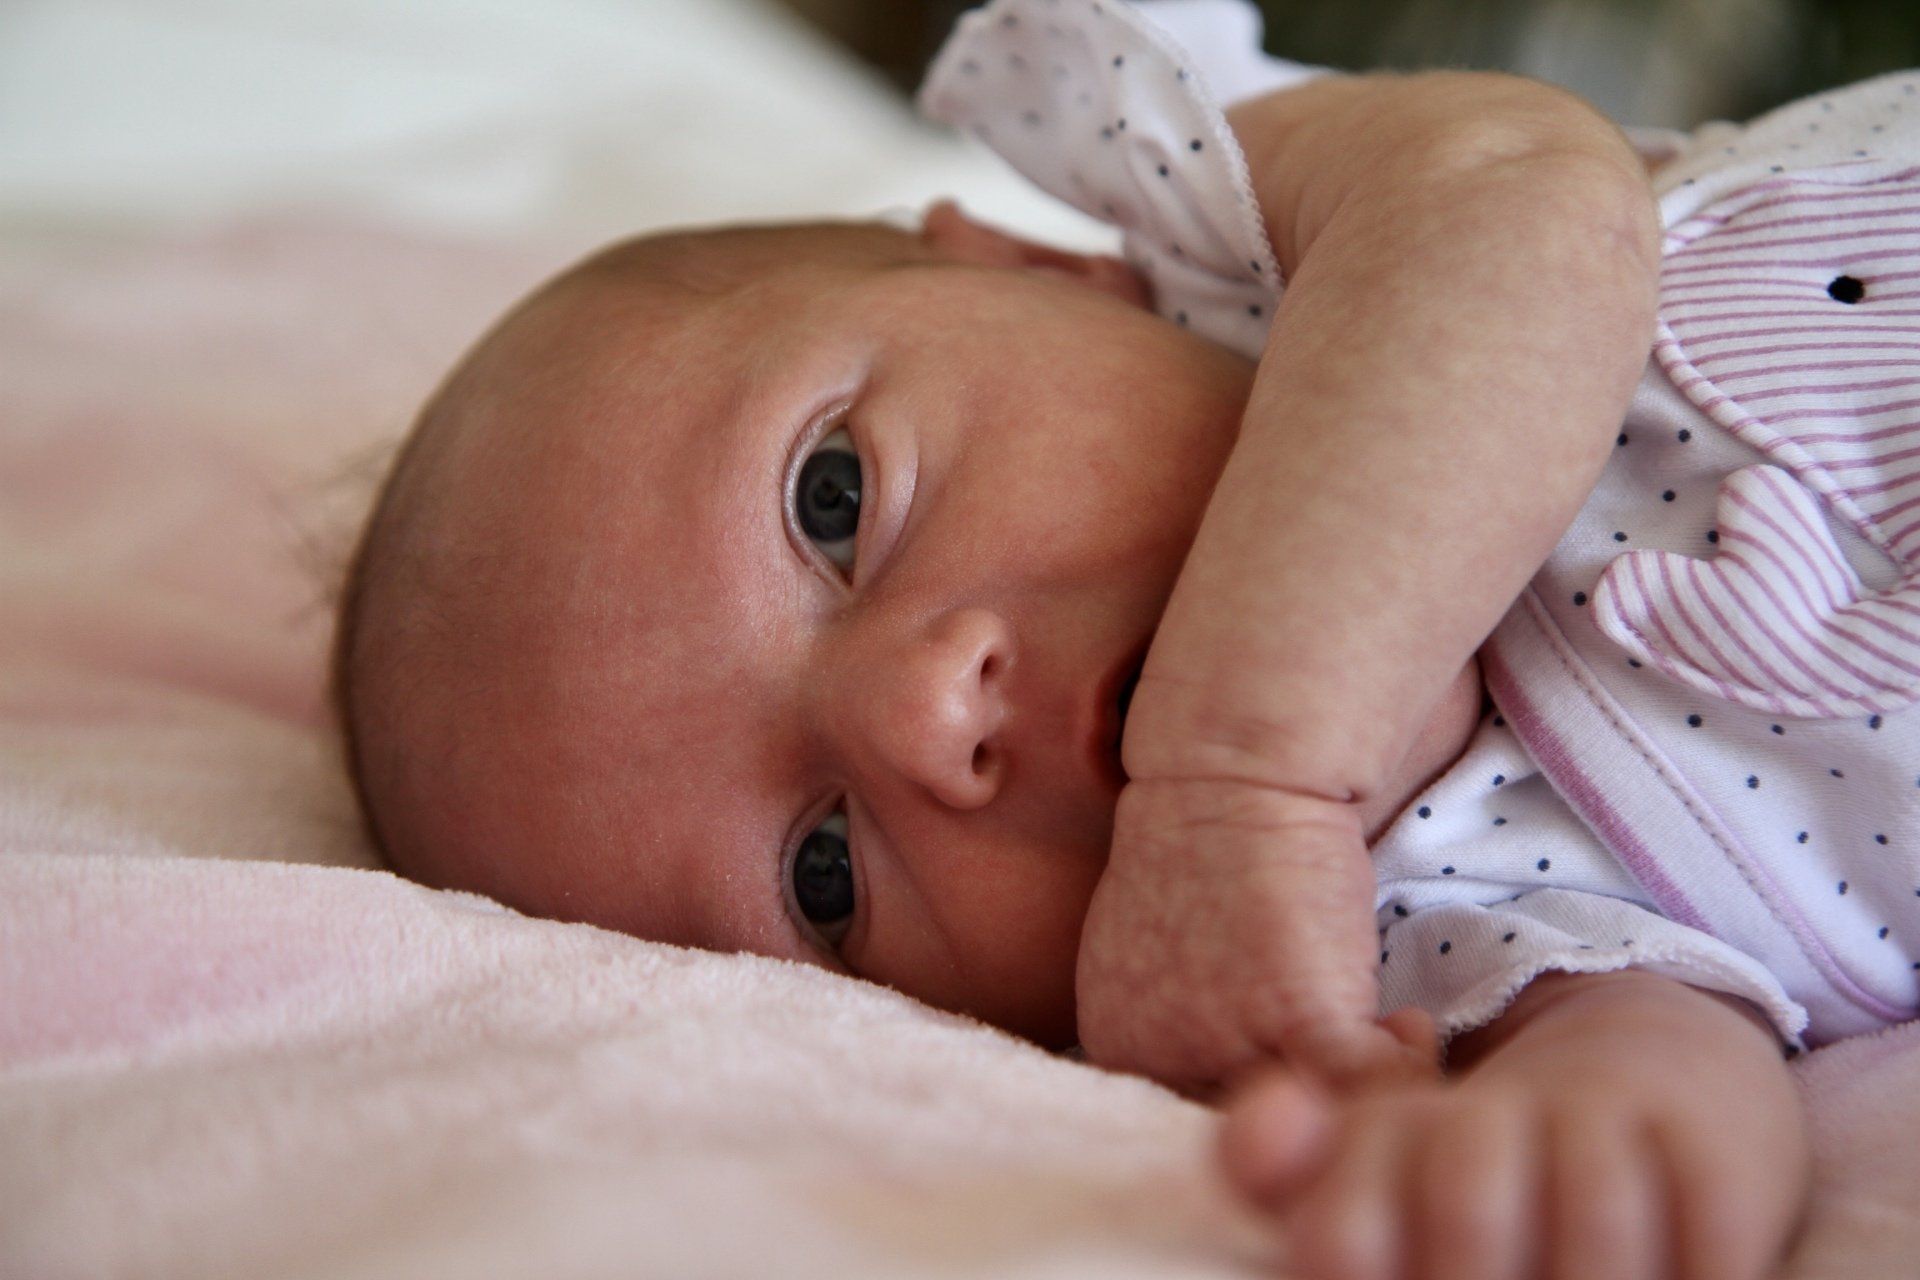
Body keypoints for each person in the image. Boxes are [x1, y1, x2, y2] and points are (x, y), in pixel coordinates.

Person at [331, 0, 1920, 1274]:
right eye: (824, 875)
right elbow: (1671, 1048)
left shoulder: (1278, 246)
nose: (916, 718)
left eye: (833, 498)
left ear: (1042, 271)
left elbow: (1531, 200)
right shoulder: (1410, 929)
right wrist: (1558, 1152)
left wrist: (1243, 771)